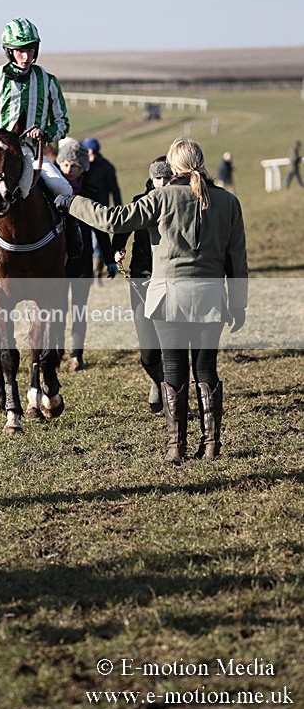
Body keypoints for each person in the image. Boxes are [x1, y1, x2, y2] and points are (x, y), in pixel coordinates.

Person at [55, 137, 248, 464]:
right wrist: (238, 303)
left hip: (167, 299)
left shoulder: (160, 198)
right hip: (211, 298)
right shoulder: (228, 202)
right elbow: (237, 258)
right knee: (205, 370)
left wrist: (71, 203)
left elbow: (113, 220)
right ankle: (212, 444)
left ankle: (177, 447)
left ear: (174, 167)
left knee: (173, 371)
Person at [0, 17, 73, 259]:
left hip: (31, 153)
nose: (26, 56)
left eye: (30, 49)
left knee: (63, 188)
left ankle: (72, 242)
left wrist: (45, 134)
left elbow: (63, 123)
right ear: (9, 52)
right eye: (20, 50)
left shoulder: (48, 81)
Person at [112, 156, 173, 413]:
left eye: (167, 177)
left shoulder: (181, 202)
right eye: (159, 177)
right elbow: (122, 227)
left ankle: (172, 393)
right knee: (148, 349)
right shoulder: (140, 202)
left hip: (172, 280)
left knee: (171, 345)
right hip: (142, 277)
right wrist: (117, 248)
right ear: (151, 178)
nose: (163, 182)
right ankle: (157, 380)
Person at [57, 139, 117, 372]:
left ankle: (77, 354)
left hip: (83, 260)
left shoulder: (92, 192)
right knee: (58, 308)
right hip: (58, 261)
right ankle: (58, 348)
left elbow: (101, 227)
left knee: (79, 309)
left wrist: (110, 259)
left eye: (74, 166)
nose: (69, 170)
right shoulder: (50, 191)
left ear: (83, 167)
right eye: (64, 165)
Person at [80, 138, 122, 280]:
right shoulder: (81, 166)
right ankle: (89, 270)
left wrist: (119, 210)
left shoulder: (106, 167)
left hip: (101, 212)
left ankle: (97, 272)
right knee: (87, 243)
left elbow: (114, 189)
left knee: (99, 243)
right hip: (82, 211)